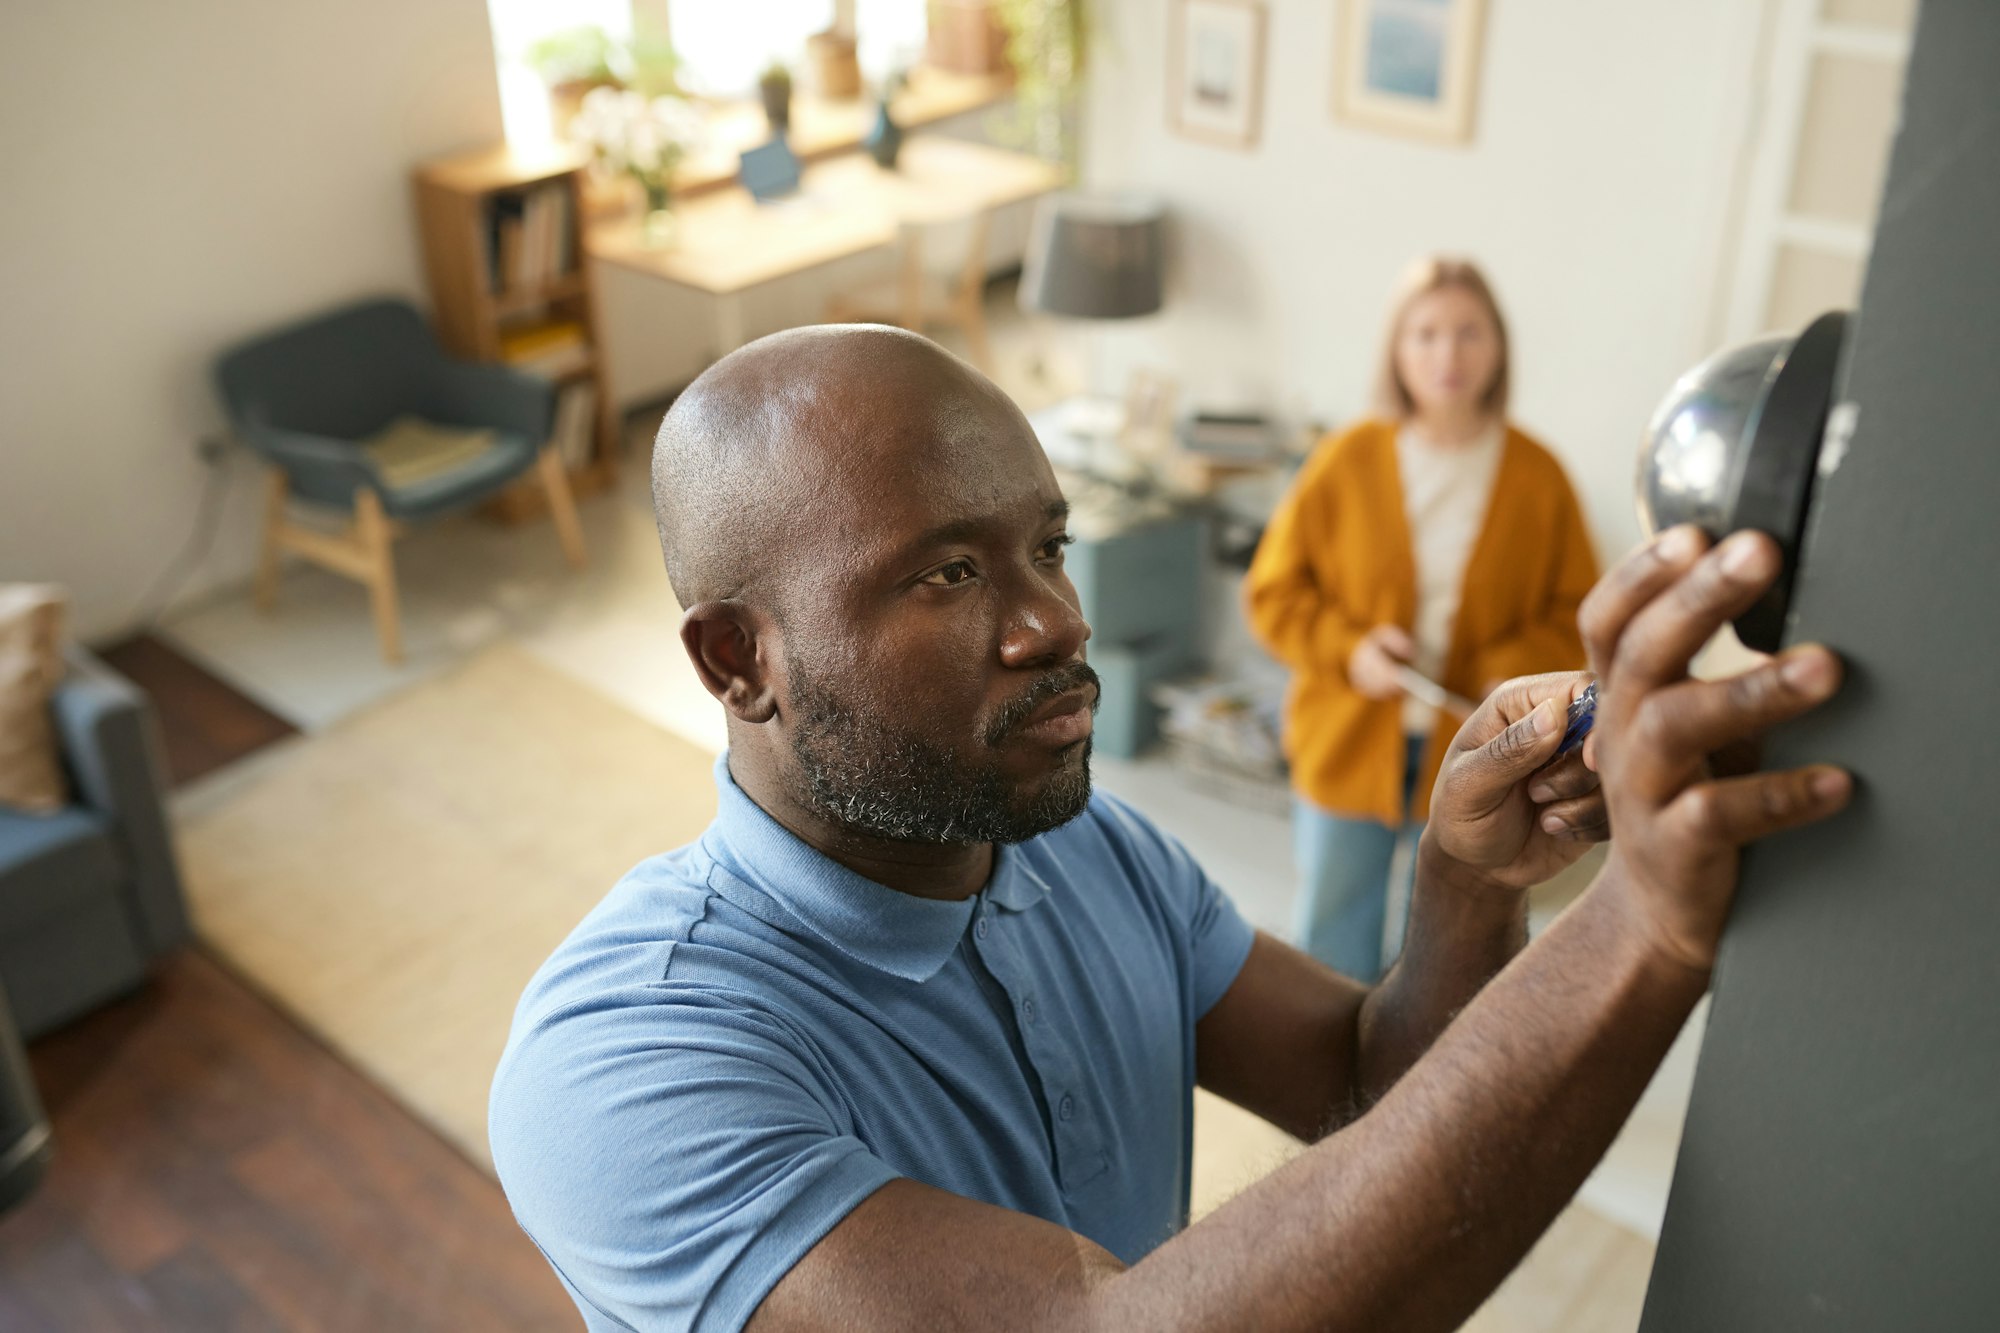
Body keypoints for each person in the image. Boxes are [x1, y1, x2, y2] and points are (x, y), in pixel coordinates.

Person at [489, 325, 1850, 1333]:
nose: (1056, 625)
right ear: (738, 659)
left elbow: (1363, 1081)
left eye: (1049, 549)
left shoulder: (1083, 847)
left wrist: (1462, 879)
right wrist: (1641, 928)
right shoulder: (615, 1068)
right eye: (950, 572)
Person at [1245, 256, 1601, 983]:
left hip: (1478, 753)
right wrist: (1351, 649)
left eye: (1469, 332)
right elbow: (1273, 595)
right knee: (1330, 936)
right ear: (1396, 349)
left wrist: (1519, 665)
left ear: (1499, 346)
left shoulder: (1540, 476)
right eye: (1426, 334)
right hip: (1347, 741)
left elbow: (1580, 614)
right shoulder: (1346, 459)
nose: (1448, 355)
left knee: (1445, 942)